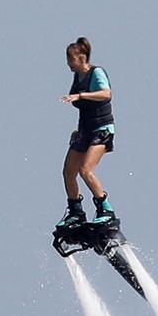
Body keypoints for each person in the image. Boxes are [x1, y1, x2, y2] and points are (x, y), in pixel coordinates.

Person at [58, 37, 117, 230]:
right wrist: (78, 131)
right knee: (68, 171)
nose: (68, 64)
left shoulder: (96, 73)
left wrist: (81, 95)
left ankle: (105, 210)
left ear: (81, 58)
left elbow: (106, 93)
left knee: (85, 170)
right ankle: (76, 213)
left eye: (70, 60)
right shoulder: (78, 76)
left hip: (102, 130)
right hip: (85, 130)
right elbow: (85, 110)